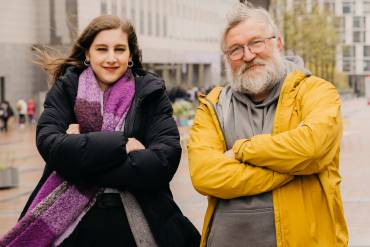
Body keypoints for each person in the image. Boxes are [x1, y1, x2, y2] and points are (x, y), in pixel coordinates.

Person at [0, 15, 199, 247]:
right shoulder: (66, 89)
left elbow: (163, 161)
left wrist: (80, 155)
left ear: (130, 54)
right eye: (102, 49)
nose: (111, 58)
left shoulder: (151, 94)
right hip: (74, 231)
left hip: (140, 224)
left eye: (120, 49)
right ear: (87, 53)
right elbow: (50, 144)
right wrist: (122, 144)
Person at [188, 3, 348, 247]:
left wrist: (243, 150)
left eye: (256, 43)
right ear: (227, 58)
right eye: (236, 50)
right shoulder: (214, 105)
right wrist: (292, 167)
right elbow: (205, 175)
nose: (248, 55)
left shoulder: (316, 91)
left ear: (278, 43)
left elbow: (312, 147)